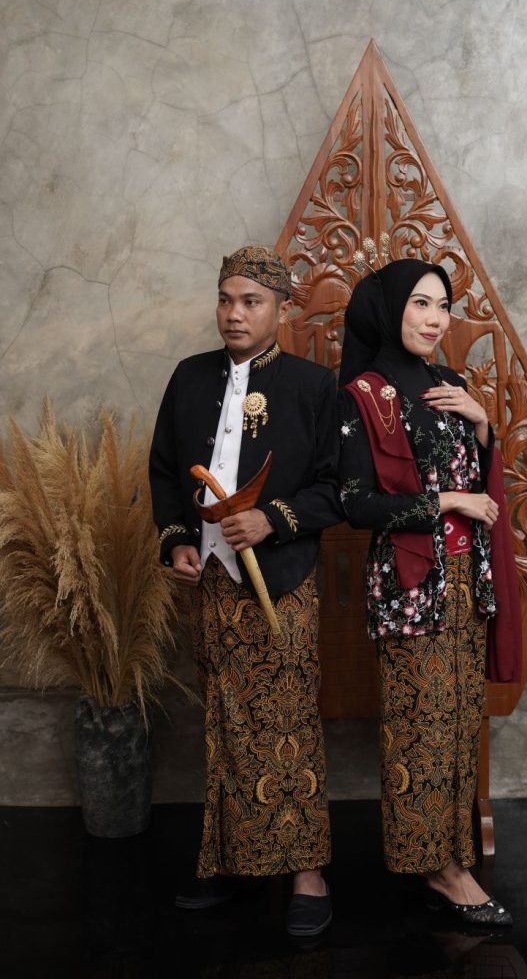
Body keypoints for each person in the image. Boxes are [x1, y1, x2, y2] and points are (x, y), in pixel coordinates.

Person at [149, 245, 343, 937]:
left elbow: (337, 488)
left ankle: (307, 872)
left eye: (251, 302)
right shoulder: (189, 377)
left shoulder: (313, 387)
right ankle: (226, 859)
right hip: (211, 582)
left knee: (288, 721)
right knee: (226, 720)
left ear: (281, 311)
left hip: (281, 582)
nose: (234, 313)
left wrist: (273, 519)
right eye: (226, 299)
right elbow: (166, 469)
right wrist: (177, 539)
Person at [337, 258, 513, 927]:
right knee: (420, 727)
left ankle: (452, 854)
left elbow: (482, 484)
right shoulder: (364, 393)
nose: (436, 318)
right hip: (413, 585)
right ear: (390, 310)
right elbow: (359, 504)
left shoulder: (451, 385)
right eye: (420, 303)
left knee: (459, 722)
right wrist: (448, 501)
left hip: (467, 582)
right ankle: (436, 866)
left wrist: (484, 425)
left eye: (443, 305)